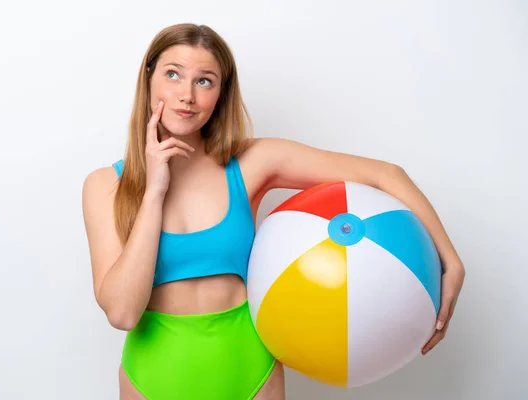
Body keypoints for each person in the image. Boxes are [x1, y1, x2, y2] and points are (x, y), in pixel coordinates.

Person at [82, 23, 466, 400]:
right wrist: (154, 193)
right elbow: (122, 314)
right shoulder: (104, 186)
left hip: (250, 368)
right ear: (147, 78)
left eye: (204, 81)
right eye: (173, 74)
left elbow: (386, 175)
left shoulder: (250, 162)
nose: (187, 95)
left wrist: (451, 262)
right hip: (153, 376)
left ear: (220, 94)